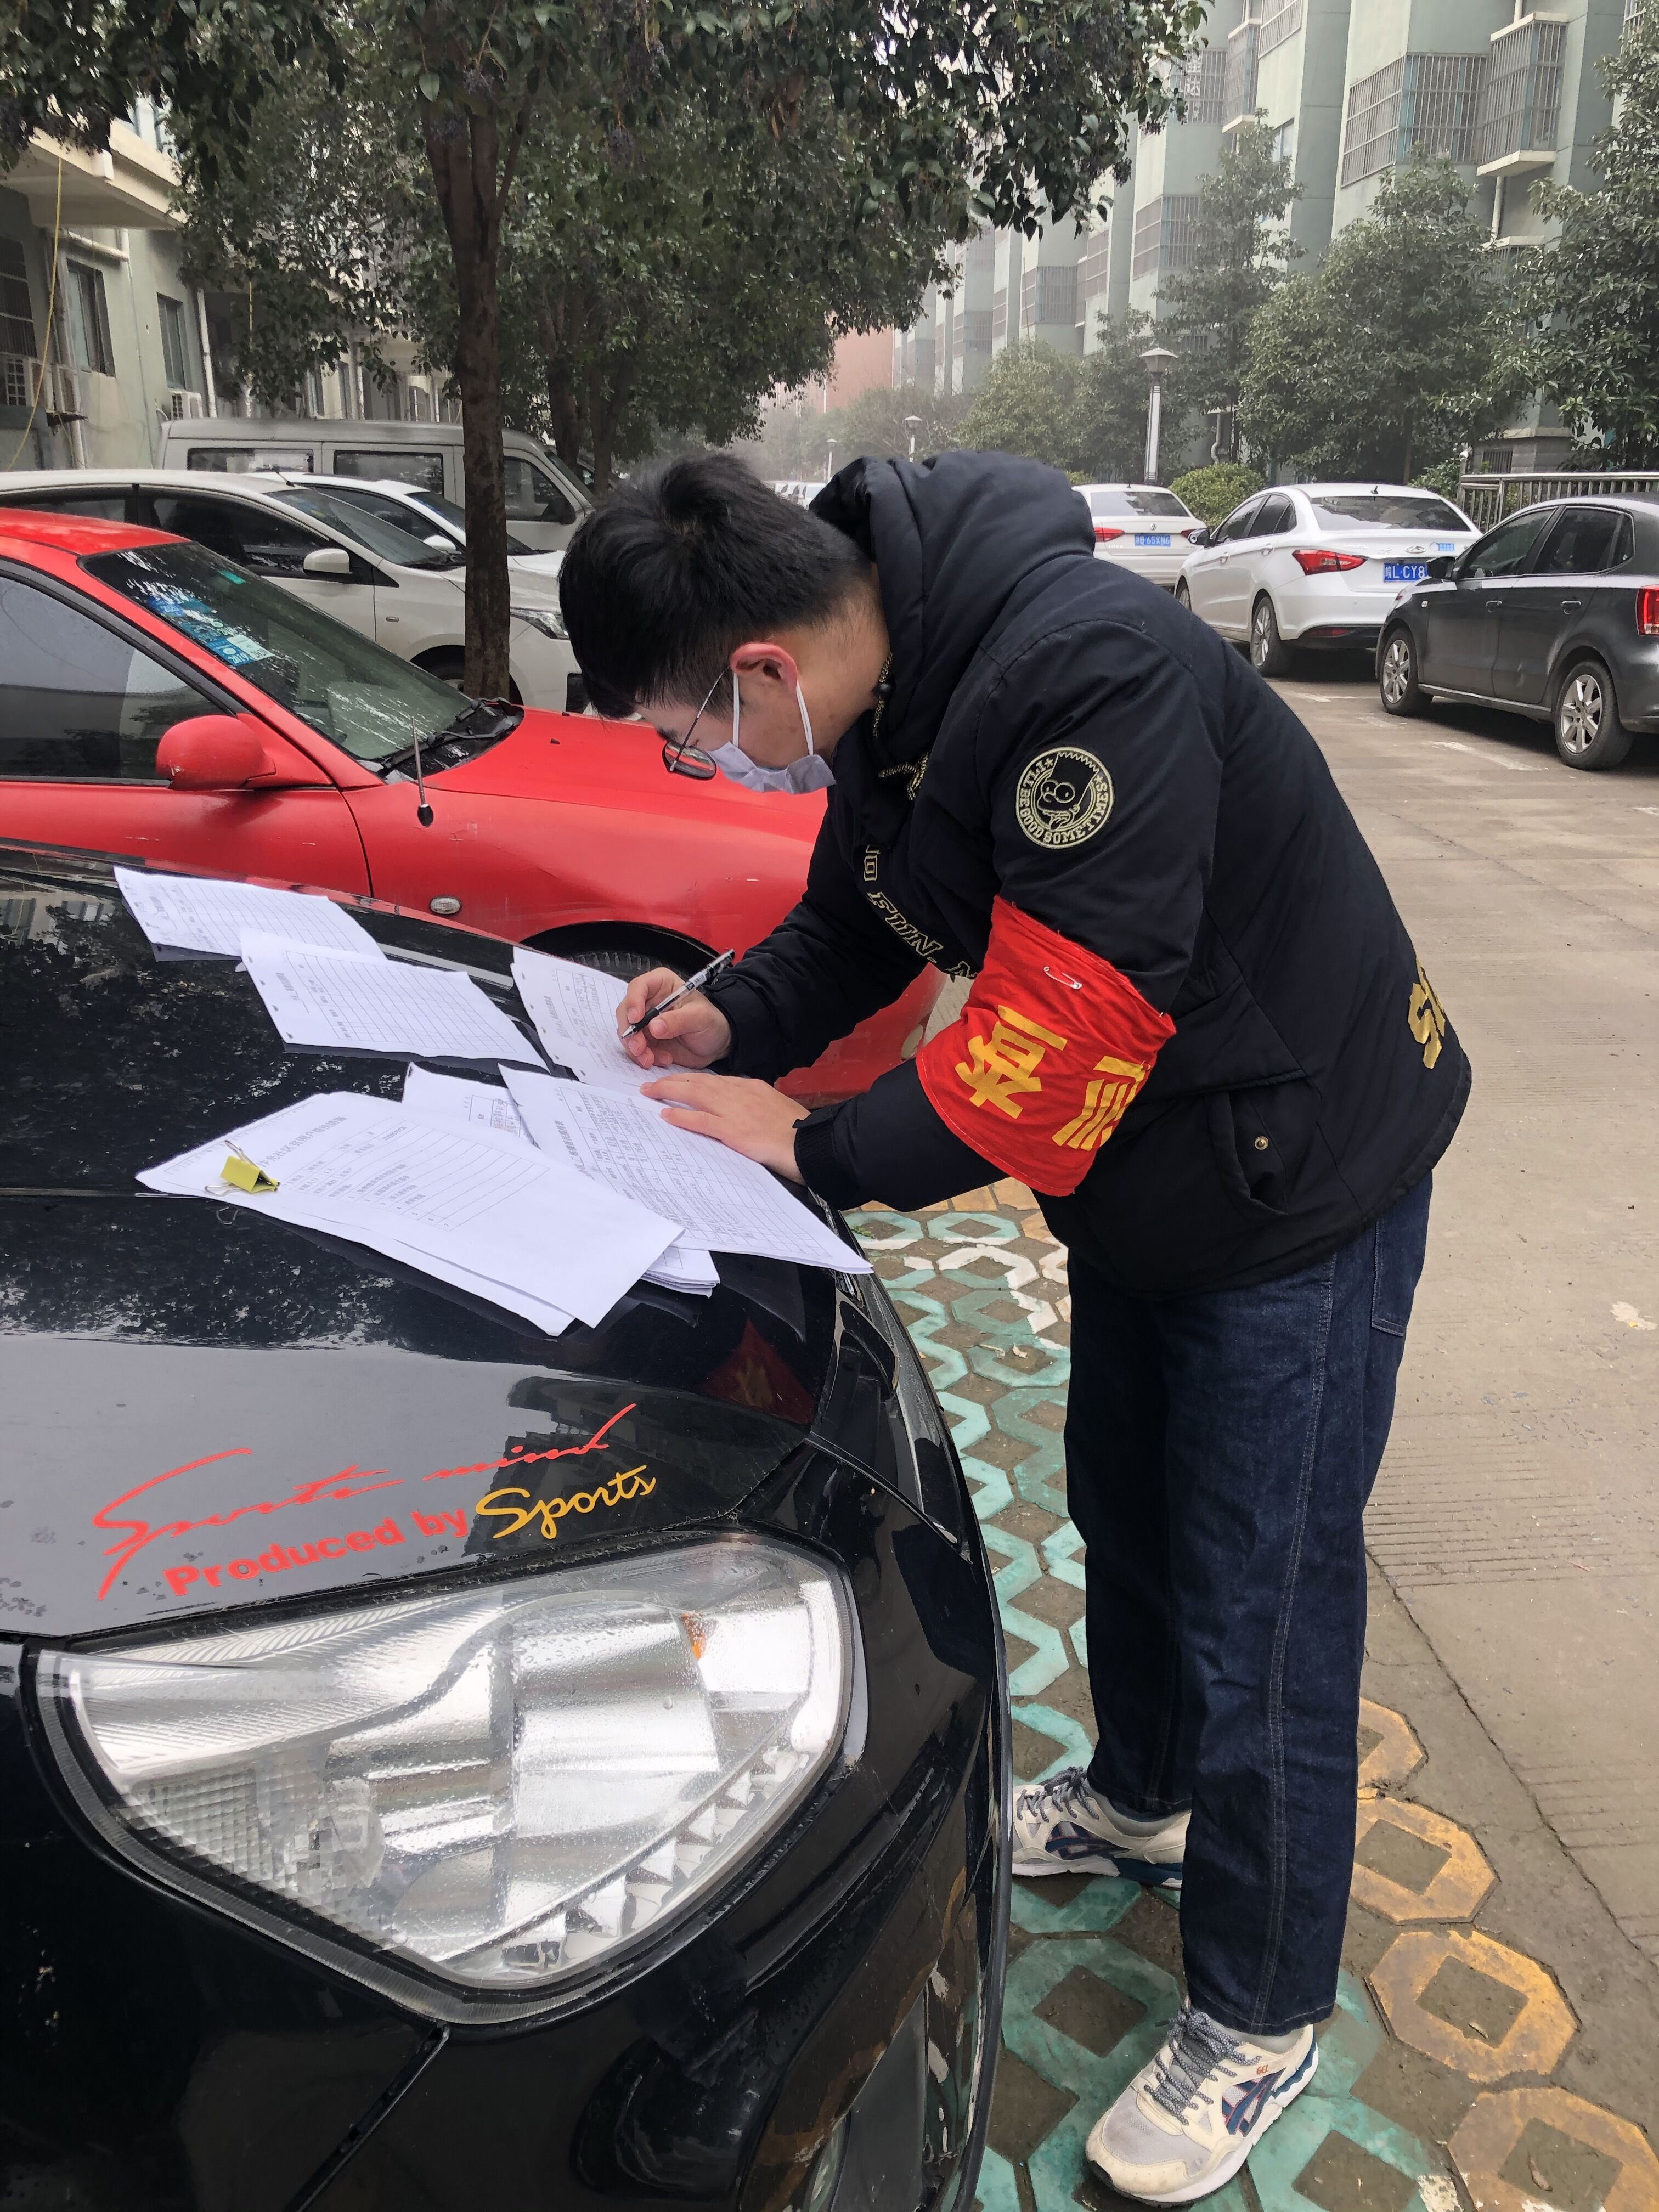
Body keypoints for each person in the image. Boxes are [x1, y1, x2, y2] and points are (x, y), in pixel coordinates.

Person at [558, 451, 1468, 2205]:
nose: (709, 765)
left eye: (689, 737)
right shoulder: (894, 686)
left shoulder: (1081, 680)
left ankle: (1261, 2006)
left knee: (1264, 1601)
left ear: (759, 668)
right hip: (1159, 1178)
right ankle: (1142, 1797)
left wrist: (818, 1145)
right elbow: (860, 928)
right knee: (1126, 1507)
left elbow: (1061, 1040)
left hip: (1298, 1177)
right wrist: (726, 1020)